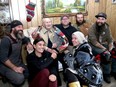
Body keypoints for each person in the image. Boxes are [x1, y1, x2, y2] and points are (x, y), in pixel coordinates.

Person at [31, 17, 68, 86]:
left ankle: (66, 77)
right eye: (46, 22)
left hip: (56, 49)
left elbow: (62, 39)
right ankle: (55, 80)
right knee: (53, 58)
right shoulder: (38, 31)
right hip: (44, 49)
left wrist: (57, 44)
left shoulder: (55, 29)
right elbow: (37, 43)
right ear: (43, 24)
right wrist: (48, 49)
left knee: (65, 58)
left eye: (50, 22)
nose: (49, 24)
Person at [0, 20, 29, 86]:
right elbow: (2, 58)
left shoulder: (19, 37)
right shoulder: (6, 40)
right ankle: (5, 75)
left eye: (22, 27)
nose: (21, 29)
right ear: (13, 29)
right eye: (19, 27)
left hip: (17, 62)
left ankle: (10, 76)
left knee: (28, 73)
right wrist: (15, 68)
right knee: (19, 79)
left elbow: (26, 39)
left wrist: (28, 43)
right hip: (5, 65)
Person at [88, 12, 114, 83]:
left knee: (113, 52)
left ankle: (113, 71)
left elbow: (110, 39)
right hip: (93, 45)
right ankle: (106, 74)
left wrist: (111, 48)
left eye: (102, 19)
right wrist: (106, 50)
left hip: (102, 44)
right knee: (106, 54)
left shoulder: (106, 27)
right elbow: (94, 42)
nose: (100, 21)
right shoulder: (92, 28)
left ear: (105, 20)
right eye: (98, 19)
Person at [55, 14, 77, 81]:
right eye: (63, 19)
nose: (65, 20)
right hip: (59, 47)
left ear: (69, 20)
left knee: (67, 58)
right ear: (61, 21)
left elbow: (76, 39)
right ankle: (57, 77)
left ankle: (67, 75)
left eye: (66, 19)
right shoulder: (57, 27)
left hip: (69, 46)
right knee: (56, 58)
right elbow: (46, 26)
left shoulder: (73, 29)